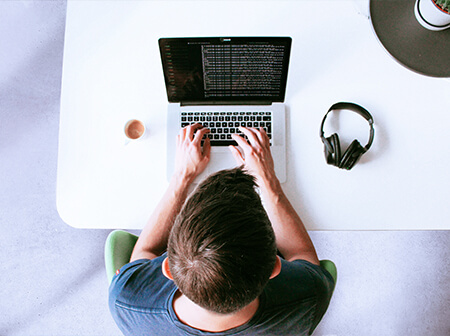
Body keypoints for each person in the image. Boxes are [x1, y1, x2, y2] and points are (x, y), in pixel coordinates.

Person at [109, 124, 335, 335]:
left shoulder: (126, 300)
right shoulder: (309, 299)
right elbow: (301, 256)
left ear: (167, 268)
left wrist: (182, 176)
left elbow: (145, 253)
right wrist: (267, 181)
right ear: (275, 267)